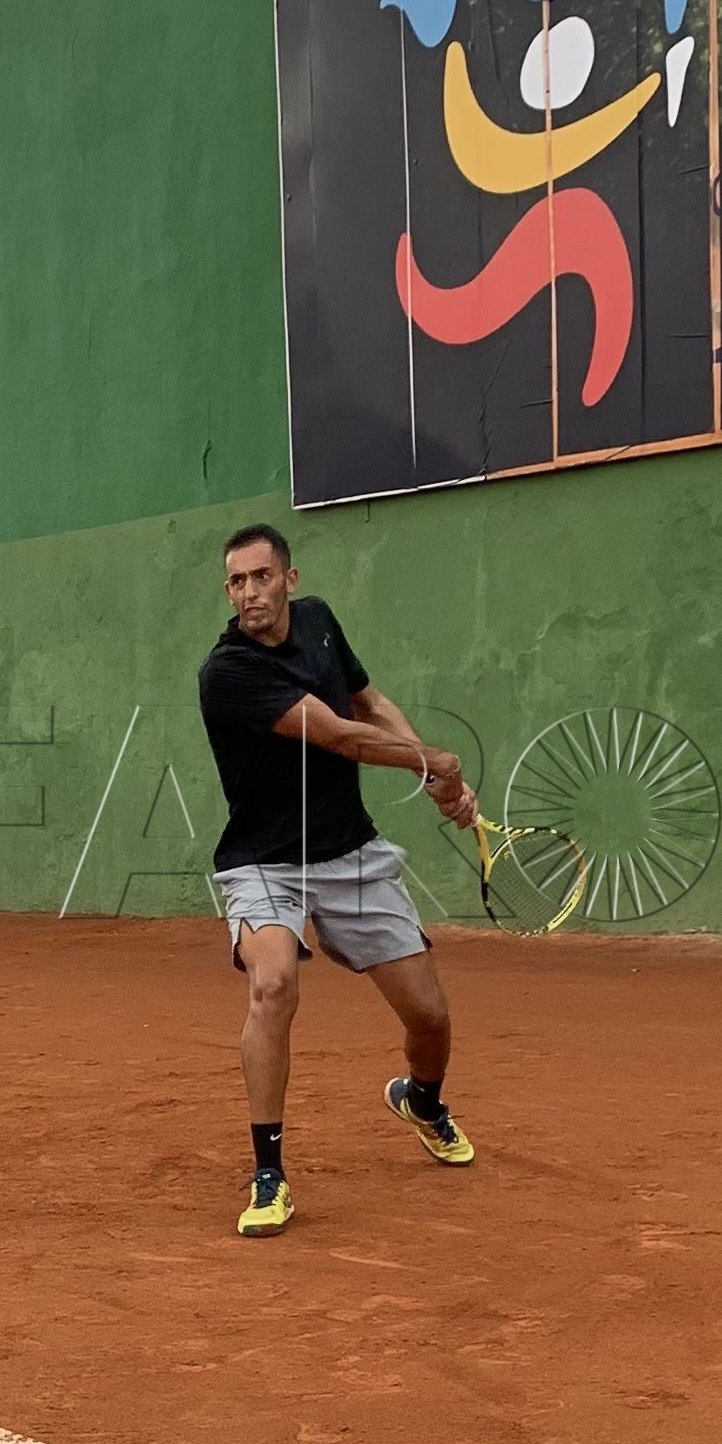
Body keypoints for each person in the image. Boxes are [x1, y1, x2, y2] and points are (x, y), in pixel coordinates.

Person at [197, 522, 479, 1237]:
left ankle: (421, 1099)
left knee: (430, 1016)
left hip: (349, 853)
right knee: (272, 984)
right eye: (237, 581)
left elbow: (369, 703)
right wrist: (435, 765)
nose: (250, 592)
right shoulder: (226, 672)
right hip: (263, 862)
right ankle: (269, 1173)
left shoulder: (319, 622)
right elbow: (336, 733)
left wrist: (428, 770)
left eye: (261, 576)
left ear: (289, 578)